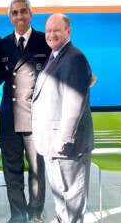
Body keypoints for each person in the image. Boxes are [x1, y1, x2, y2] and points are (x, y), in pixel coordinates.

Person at [31, 13, 94, 223]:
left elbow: (74, 102)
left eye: (56, 30)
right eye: (48, 30)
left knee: (72, 200)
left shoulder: (74, 58)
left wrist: (63, 138)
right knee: (61, 198)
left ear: (68, 31)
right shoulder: (56, 56)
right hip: (53, 145)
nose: (51, 34)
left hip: (66, 147)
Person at [0, 0, 50, 223]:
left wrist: (82, 77)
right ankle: (17, 214)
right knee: (12, 170)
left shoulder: (43, 40)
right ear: (10, 17)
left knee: (37, 170)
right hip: (9, 116)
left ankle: (35, 211)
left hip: (36, 116)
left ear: (31, 14)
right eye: (15, 13)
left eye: (23, 12)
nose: (19, 16)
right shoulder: (3, 44)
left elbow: (59, 69)